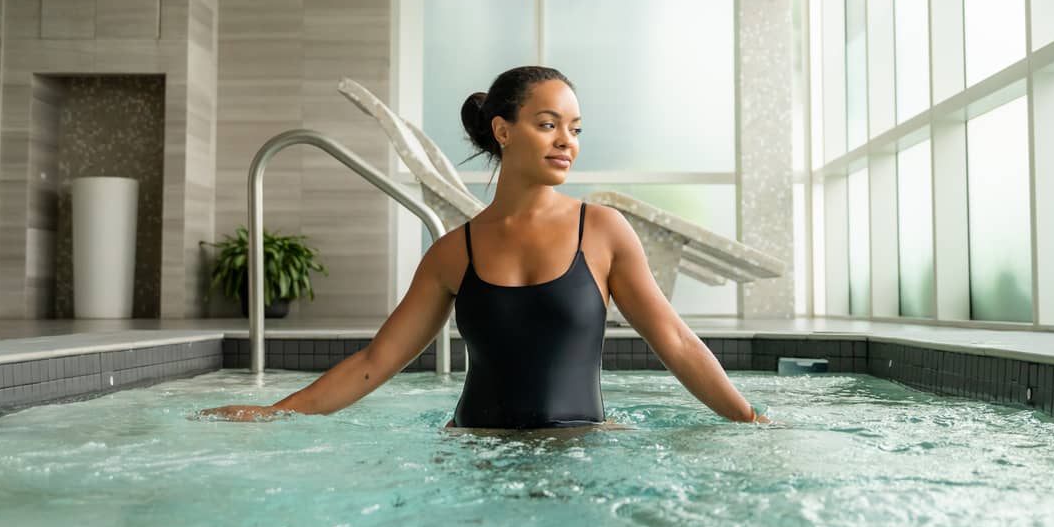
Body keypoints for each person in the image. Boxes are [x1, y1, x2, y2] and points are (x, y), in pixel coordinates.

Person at [202, 66, 770, 428]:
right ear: (503, 131)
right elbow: (375, 364)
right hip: (474, 455)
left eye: (574, 127)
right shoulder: (453, 253)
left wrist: (748, 418)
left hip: (581, 456)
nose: (566, 141)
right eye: (548, 124)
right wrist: (272, 413)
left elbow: (674, 340)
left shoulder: (602, 231)